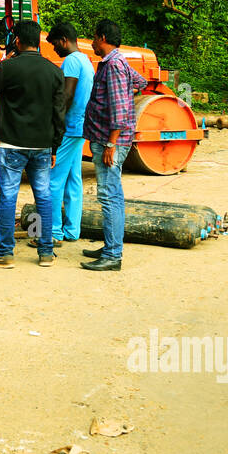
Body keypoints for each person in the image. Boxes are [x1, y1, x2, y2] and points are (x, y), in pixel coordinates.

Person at [0, 19, 66, 268]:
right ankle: (46, 252)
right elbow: (60, 115)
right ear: (38, 42)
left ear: (17, 40)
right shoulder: (54, 72)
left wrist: (2, 66)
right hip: (43, 146)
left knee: (8, 197)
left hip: (12, 144)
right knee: (44, 197)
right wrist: (55, 147)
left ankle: (5, 252)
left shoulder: (8, 68)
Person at [81, 19, 148, 272]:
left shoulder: (114, 66)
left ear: (102, 38)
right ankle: (111, 245)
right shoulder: (117, 62)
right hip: (109, 139)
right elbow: (140, 83)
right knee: (114, 196)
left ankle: (112, 255)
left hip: (110, 142)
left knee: (108, 197)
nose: (92, 43)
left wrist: (111, 142)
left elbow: (119, 111)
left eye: (94, 38)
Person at [44, 22, 92, 246]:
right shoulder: (86, 60)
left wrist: (55, 125)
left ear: (64, 40)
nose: (55, 49)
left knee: (54, 181)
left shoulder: (71, 61)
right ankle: (72, 230)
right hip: (80, 127)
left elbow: (67, 95)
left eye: (55, 44)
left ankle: (53, 232)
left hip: (69, 127)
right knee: (73, 179)